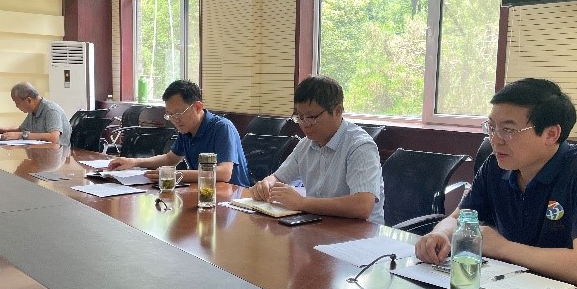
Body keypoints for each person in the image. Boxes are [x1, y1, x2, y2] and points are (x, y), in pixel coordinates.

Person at [415, 78, 577, 289]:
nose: (495, 139)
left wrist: (502, 248)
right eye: (491, 127)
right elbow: (458, 218)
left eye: (508, 130)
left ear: (551, 134)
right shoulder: (495, 166)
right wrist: (440, 234)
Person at [250, 76, 384, 224]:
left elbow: (362, 206)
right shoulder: (305, 145)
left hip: (360, 233)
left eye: (311, 117)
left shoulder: (360, 146)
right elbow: (278, 177)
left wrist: (302, 203)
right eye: (299, 117)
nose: (304, 124)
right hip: (319, 225)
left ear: (337, 111)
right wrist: (266, 184)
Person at [108, 80, 250, 187]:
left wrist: (175, 175)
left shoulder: (222, 128)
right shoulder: (186, 129)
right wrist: (134, 162)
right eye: (169, 115)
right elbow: (170, 159)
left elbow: (224, 173)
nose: (174, 120)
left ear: (197, 107)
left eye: (178, 113)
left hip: (231, 195)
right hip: (203, 191)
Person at [0, 82, 72, 146]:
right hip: (41, 152)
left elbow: (54, 137)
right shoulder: (33, 111)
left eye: (17, 103)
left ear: (29, 100)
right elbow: (21, 129)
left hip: (56, 155)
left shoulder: (51, 110)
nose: (17, 106)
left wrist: (21, 135)